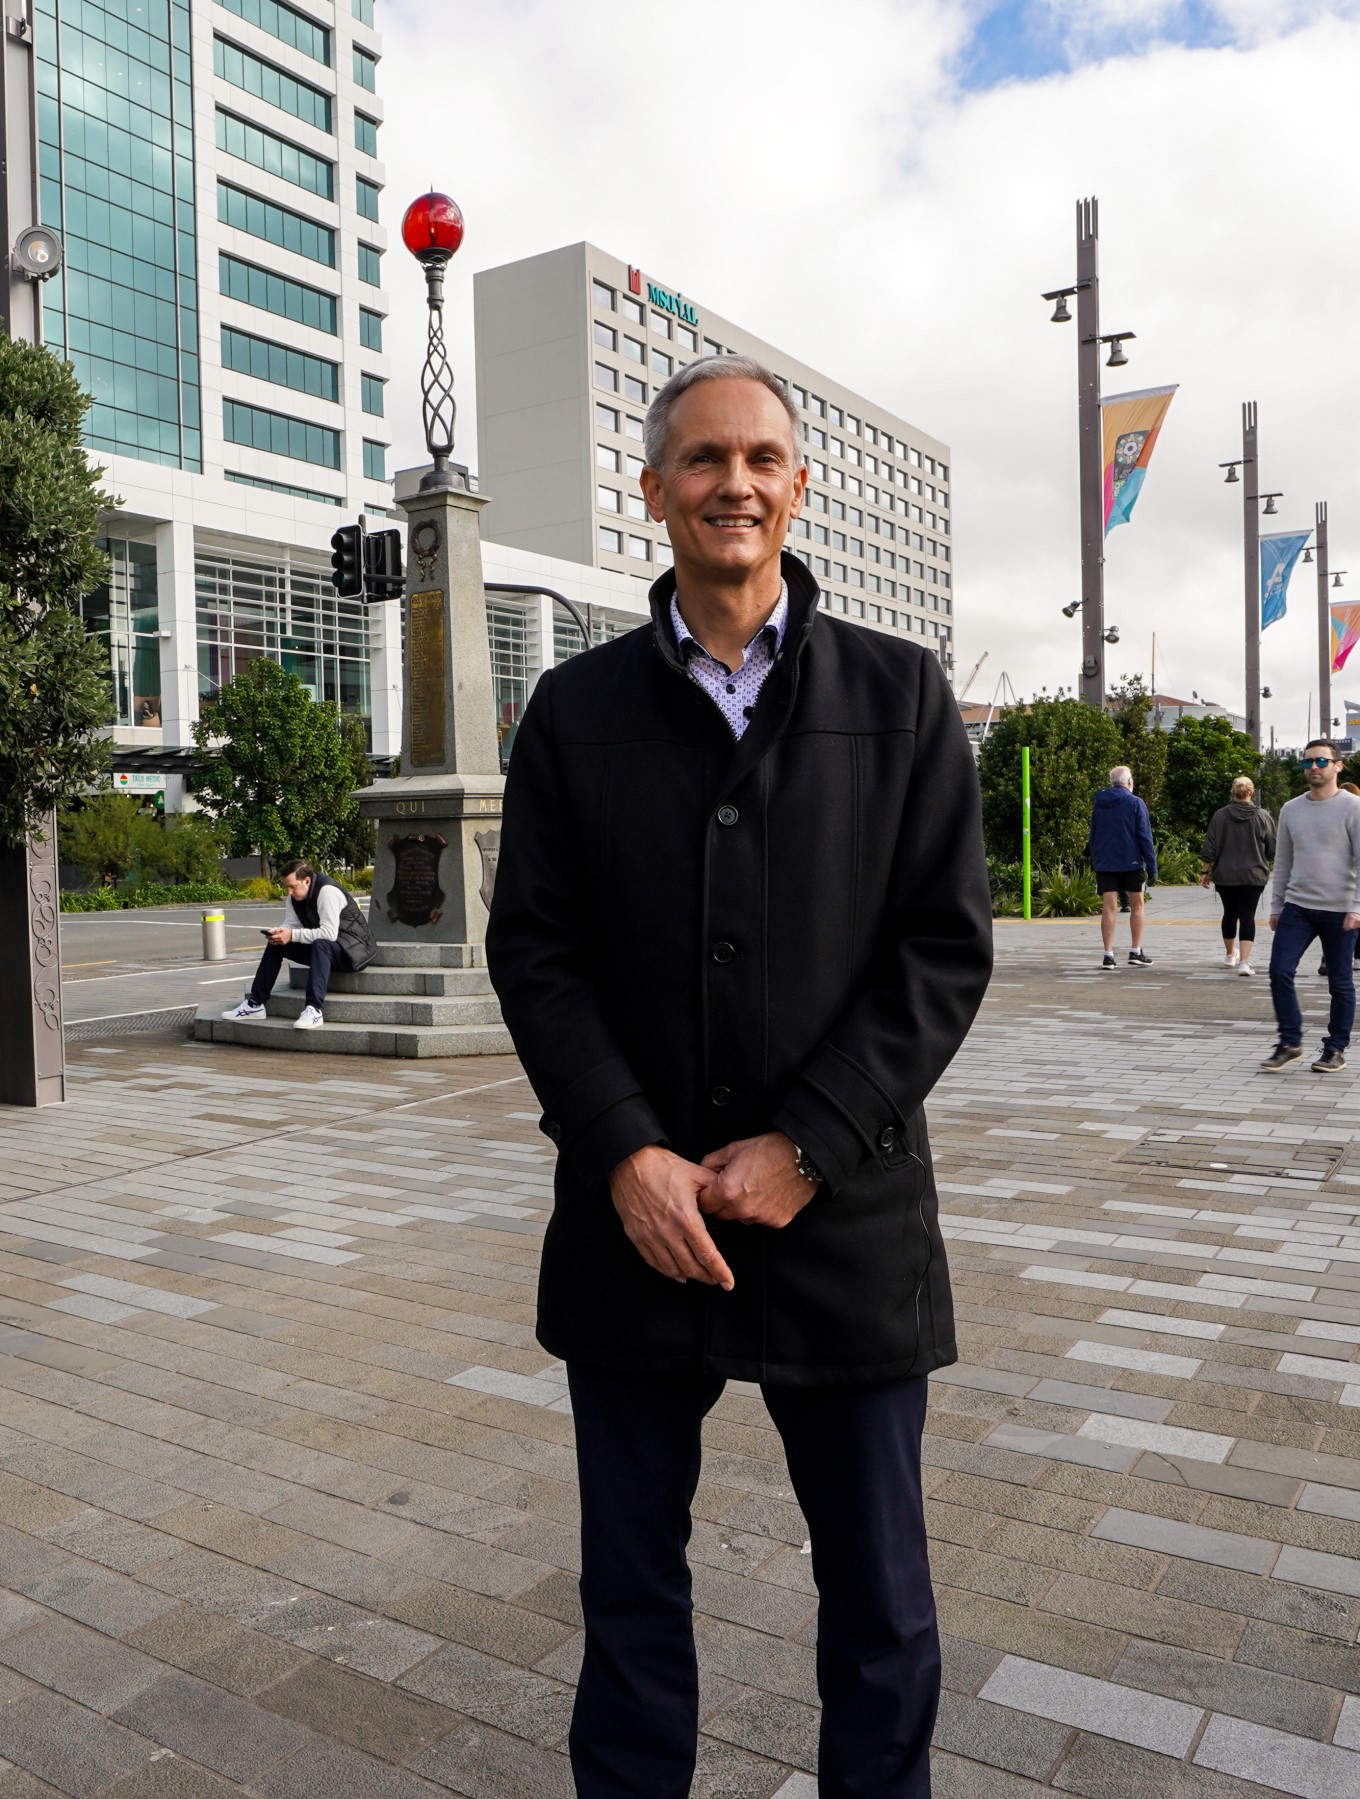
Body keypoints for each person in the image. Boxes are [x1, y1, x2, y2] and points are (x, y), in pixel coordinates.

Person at [486, 354, 993, 1798]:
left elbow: (943, 952)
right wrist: (625, 1151)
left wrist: (811, 1140)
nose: (735, 482)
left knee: (883, 1604)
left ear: (798, 487)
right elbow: (538, 951)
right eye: (703, 459)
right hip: (635, 1221)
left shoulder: (900, 696)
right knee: (631, 1599)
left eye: (762, 458)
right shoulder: (573, 710)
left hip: (843, 1220)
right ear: (653, 492)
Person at [1263, 739, 1360, 1073]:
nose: (1313, 768)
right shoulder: (1291, 809)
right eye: (1307, 763)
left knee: (1340, 982)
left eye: (1320, 761)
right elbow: (1283, 863)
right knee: (1278, 971)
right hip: (1298, 906)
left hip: (1342, 909)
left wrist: (1357, 907)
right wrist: (1277, 906)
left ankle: (1335, 1049)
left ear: (1338, 765)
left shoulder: (1353, 808)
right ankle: (1290, 1042)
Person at [222, 859, 375, 1031]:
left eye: (293, 886)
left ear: (307, 881)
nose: (289, 892)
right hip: (327, 951)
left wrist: (292, 935)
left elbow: (329, 934)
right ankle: (255, 1004)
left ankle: (314, 1010)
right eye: (287, 887)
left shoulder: (327, 892)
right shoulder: (293, 898)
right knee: (277, 944)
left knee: (321, 944)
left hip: (354, 951)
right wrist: (280, 932)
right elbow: (291, 925)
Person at [1200, 775, 1276, 976]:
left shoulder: (1219, 816)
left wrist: (1205, 871)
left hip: (1225, 875)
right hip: (1253, 875)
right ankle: (1244, 962)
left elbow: (1210, 846)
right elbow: (1271, 848)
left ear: (1233, 793)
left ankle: (1229, 955)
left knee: (1230, 913)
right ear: (1251, 792)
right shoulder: (1263, 816)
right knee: (1247, 915)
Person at [1088, 765, 1158, 970]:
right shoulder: (1135, 803)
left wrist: (1096, 860)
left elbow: (1093, 834)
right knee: (1137, 906)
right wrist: (1152, 866)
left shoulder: (1099, 804)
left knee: (1108, 907)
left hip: (1105, 863)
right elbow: (1144, 835)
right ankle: (1135, 951)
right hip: (1132, 862)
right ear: (1129, 782)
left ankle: (1108, 955)